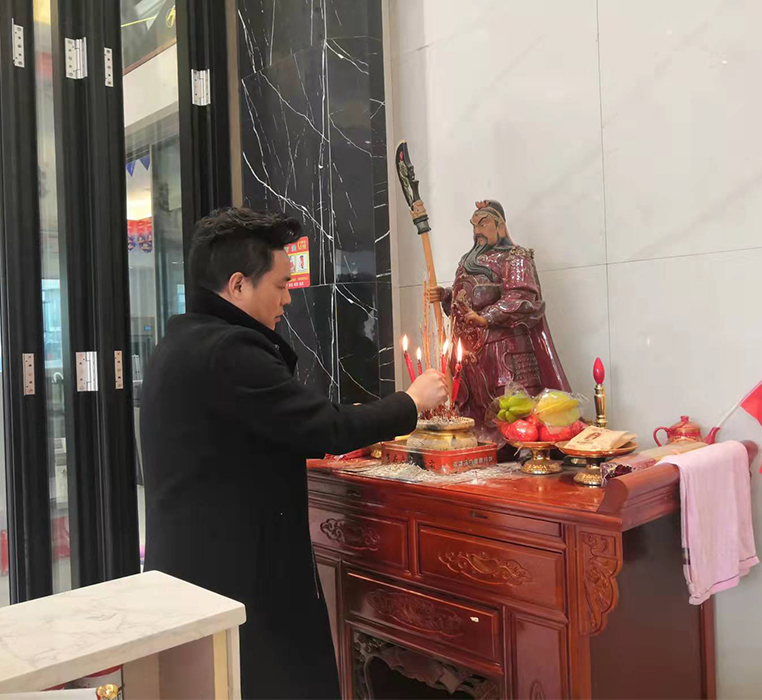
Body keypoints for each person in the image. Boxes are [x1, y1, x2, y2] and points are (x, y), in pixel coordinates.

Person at [140, 207, 449, 699]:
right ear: (238, 285)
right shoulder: (229, 351)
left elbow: (260, 429)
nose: (288, 298)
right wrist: (411, 402)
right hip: (236, 577)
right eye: (281, 284)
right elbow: (326, 427)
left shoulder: (184, 339)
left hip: (198, 570)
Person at [414, 198, 570, 445]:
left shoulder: (515, 257)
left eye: (483, 224)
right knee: (473, 406)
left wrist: (487, 317)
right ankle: (479, 444)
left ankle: (519, 445)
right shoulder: (467, 261)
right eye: (474, 225)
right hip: (470, 355)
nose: (477, 231)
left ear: (500, 226)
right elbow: (464, 301)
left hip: (503, 350)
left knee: (511, 406)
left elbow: (521, 297)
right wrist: (445, 296)